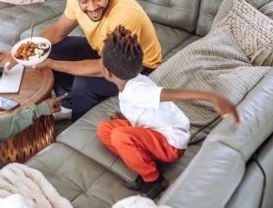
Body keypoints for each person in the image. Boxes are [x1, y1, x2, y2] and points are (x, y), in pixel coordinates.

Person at [0, 0, 162, 120]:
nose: (92, 7)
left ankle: (76, 121)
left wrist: (51, 64)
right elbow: (58, 31)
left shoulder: (125, 15)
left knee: (84, 83)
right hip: (101, 49)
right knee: (51, 48)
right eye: (84, 1)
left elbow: (104, 66)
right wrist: (20, 52)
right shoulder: (74, 0)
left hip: (135, 67)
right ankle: (68, 103)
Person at [97, 25, 240, 199]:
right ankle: (142, 160)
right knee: (105, 129)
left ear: (107, 72)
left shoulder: (137, 90)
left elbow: (173, 94)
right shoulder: (131, 82)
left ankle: (153, 179)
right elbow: (143, 112)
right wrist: (125, 118)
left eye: (100, 58)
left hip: (171, 143)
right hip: (152, 133)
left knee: (120, 136)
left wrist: (212, 97)